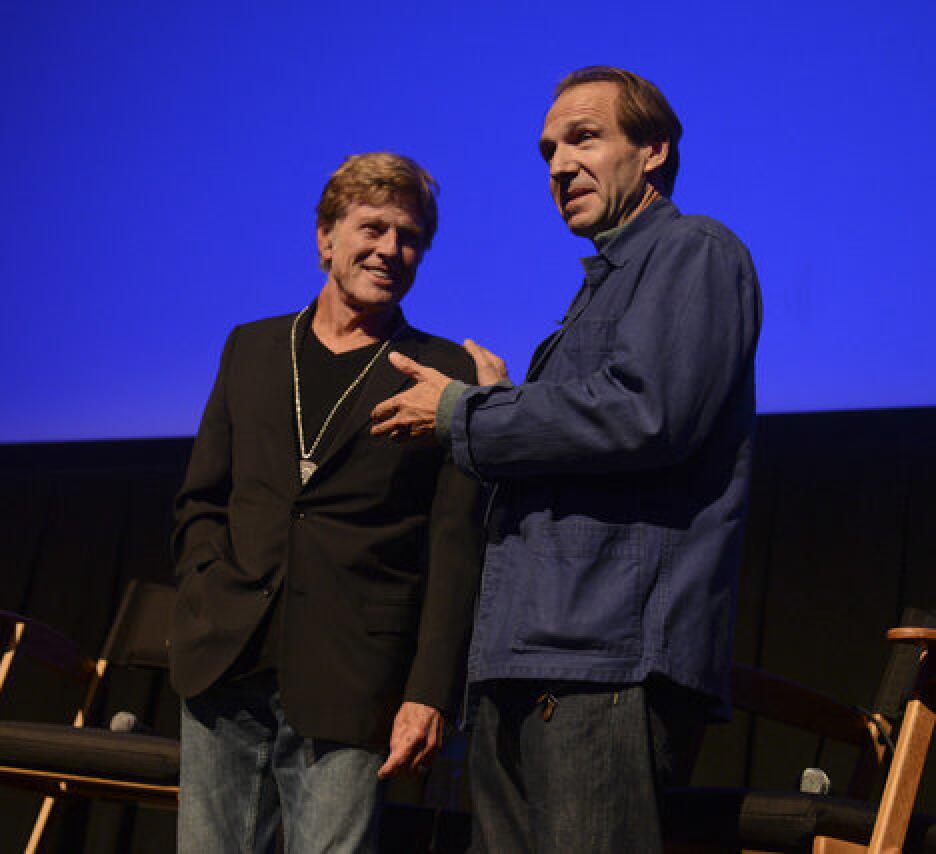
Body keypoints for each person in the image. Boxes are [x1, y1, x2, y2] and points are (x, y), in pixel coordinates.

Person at [370, 67, 762, 851]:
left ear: (653, 151)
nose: (556, 164)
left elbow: (646, 414)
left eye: (583, 138)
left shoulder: (695, 250)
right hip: (530, 660)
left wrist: (467, 411)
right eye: (547, 149)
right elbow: (586, 434)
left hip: (605, 666)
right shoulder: (596, 292)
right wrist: (501, 403)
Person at [168, 152, 482, 853]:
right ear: (325, 237)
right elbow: (201, 499)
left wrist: (428, 690)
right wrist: (203, 593)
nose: (389, 250)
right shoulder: (250, 348)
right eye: (373, 227)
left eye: (409, 237)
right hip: (227, 664)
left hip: (354, 679)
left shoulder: (440, 374)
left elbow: (455, 547)